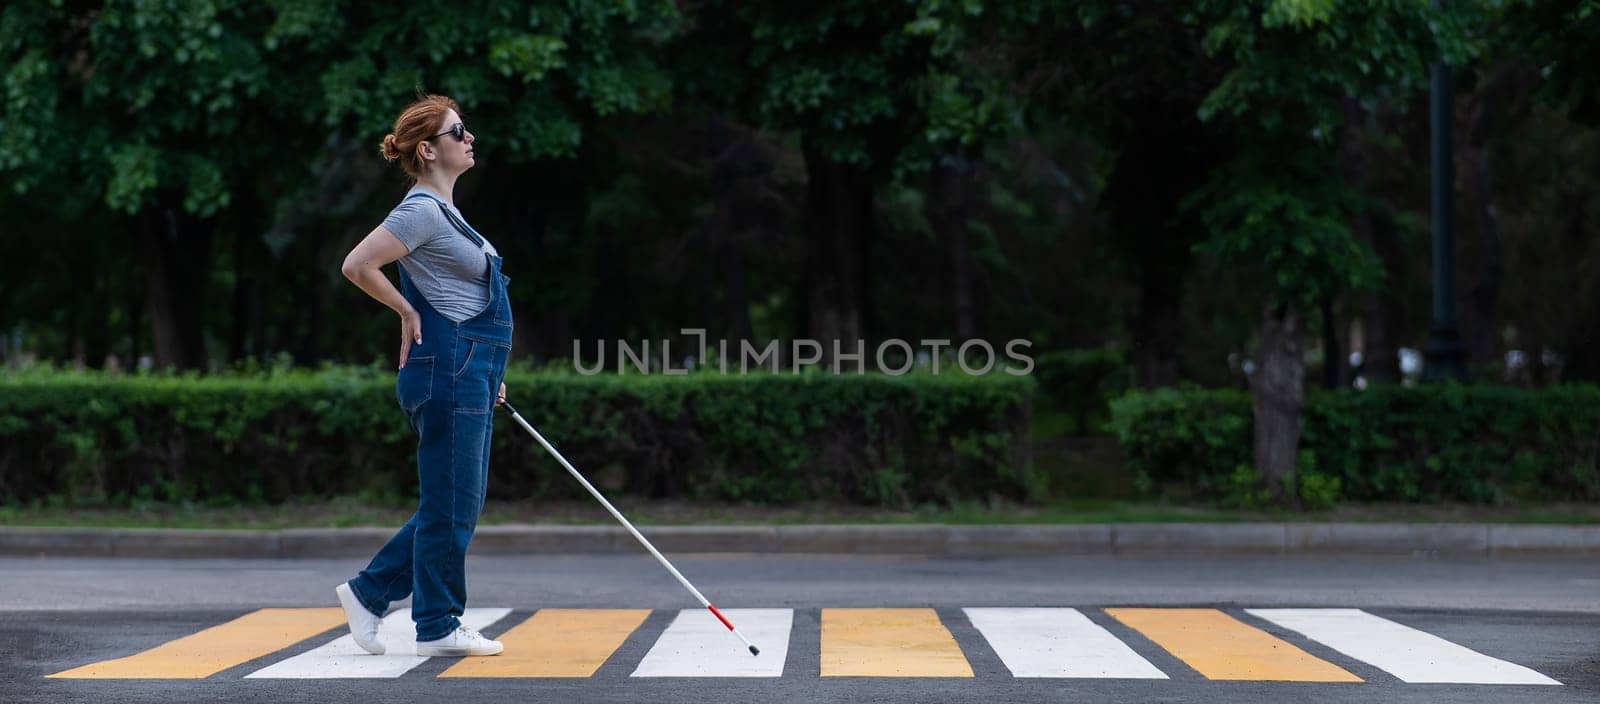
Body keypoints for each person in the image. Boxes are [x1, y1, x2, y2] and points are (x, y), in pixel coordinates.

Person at [334, 94, 512, 657]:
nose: (470, 138)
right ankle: (436, 625)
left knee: (456, 501)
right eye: (459, 131)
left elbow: (450, 293)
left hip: (468, 371)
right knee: (450, 503)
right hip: (449, 372)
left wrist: (488, 371)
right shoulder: (421, 210)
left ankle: (369, 593)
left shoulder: (446, 212)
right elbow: (358, 263)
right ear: (429, 149)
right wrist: (406, 313)